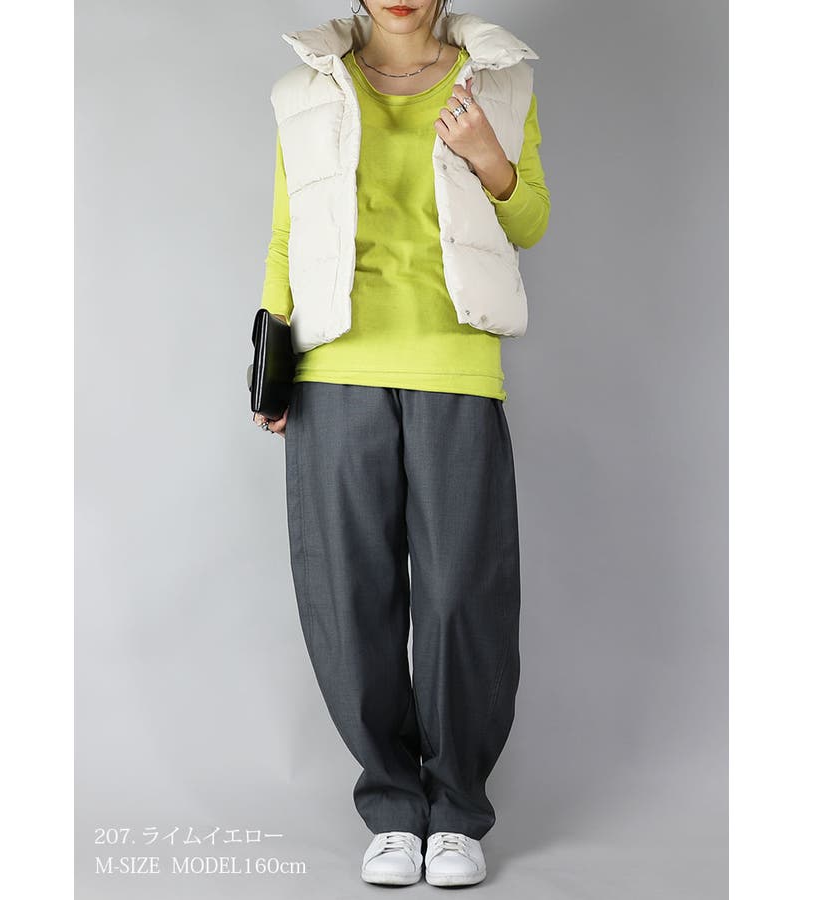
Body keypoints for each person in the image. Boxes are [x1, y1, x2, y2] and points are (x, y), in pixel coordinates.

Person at [253, 1, 549, 888]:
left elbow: (530, 219)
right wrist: (272, 362)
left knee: (463, 592)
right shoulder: (303, 89)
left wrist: (489, 157)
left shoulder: (499, 81)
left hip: (455, 361)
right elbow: (287, 234)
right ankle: (391, 807)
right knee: (349, 596)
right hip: (334, 366)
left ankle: (456, 810)